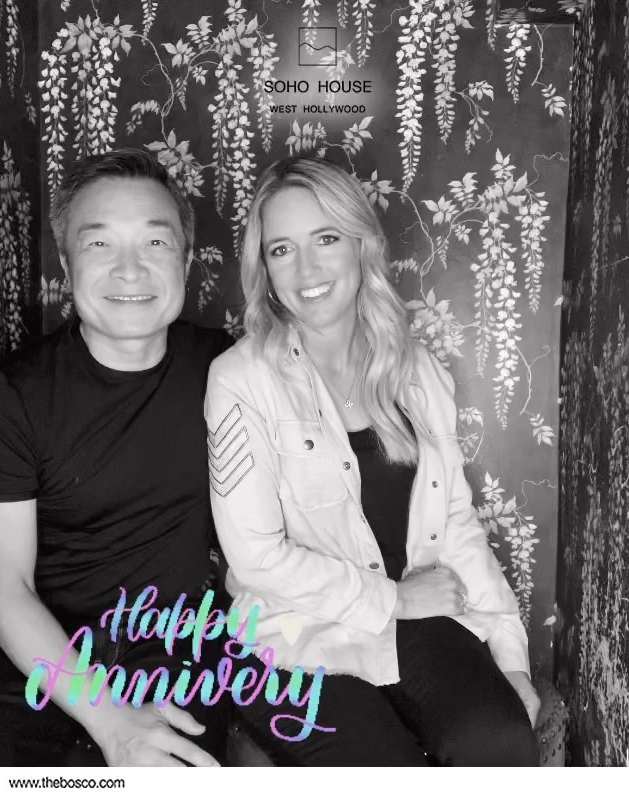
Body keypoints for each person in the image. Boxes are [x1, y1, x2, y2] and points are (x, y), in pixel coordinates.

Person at [204, 156, 541, 766]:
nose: (306, 268)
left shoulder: (418, 371)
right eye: (281, 249)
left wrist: (509, 655)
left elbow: (456, 524)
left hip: (416, 624)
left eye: (326, 239)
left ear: (361, 245)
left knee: (500, 742)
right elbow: (256, 558)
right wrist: (394, 600)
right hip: (289, 636)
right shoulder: (239, 380)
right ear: (265, 268)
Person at [0, 148, 232, 767]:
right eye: (99, 244)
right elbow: (2, 588)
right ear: (66, 262)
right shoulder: (14, 395)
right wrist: (109, 719)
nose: (130, 270)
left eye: (155, 242)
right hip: (40, 663)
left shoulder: (228, 369)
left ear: (184, 259)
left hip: (175, 660)